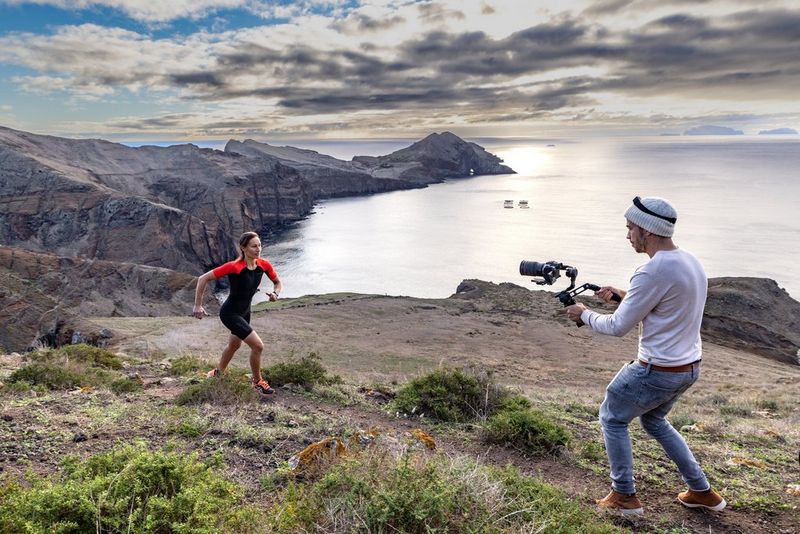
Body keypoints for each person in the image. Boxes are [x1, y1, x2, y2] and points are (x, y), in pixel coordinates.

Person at [564, 196, 725, 517]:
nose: (627, 235)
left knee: (612, 417)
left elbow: (617, 327)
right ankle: (702, 491)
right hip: (688, 367)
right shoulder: (690, 261)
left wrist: (584, 314)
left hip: (657, 370)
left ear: (647, 231)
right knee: (654, 420)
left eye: (630, 228)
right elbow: (669, 303)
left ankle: (624, 496)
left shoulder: (651, 270)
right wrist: (626, 296)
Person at [193, 231, 283, 396]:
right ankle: (257, 382)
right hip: (230, 313)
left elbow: (277, 282)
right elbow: (202, 279)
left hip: (245, 312)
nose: (258, 249)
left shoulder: (264, 265)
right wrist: (198, 306)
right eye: (254, 246)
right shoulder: (234, 267)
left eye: (260, 245)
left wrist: (275, 294)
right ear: (243, 248)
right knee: (258, 346)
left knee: (234, 345)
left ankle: (218, 373)